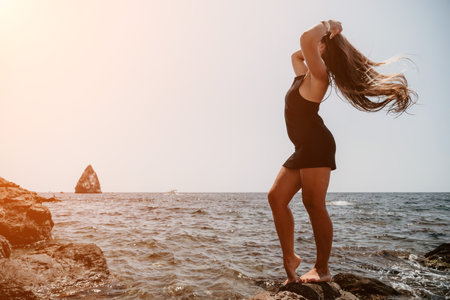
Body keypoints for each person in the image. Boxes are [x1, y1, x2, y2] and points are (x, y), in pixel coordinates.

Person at [268, 20, 417, 285]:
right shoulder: (303, 75)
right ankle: (291, 257)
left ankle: (322, 268)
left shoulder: (320, 76)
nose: (314, 45)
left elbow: (305, 39)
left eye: (319, 45)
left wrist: (328, 27)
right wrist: (324, 42)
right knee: (276, 197)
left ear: (324, 50)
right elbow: (297, 53)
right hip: (303, 147)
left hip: (316, 144)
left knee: (313, 204)